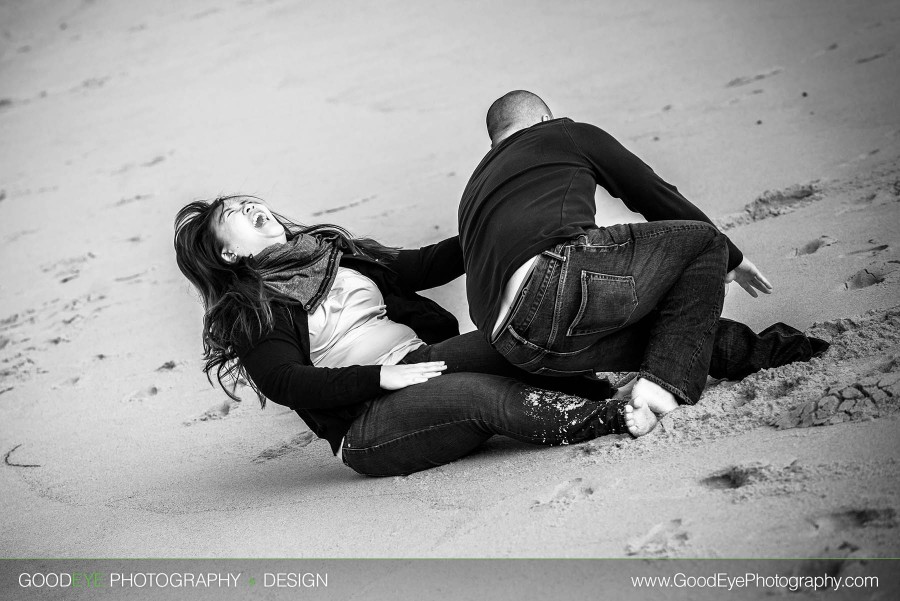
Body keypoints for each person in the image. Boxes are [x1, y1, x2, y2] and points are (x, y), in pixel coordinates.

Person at [173, 195, 656, 478]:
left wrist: (504, 230)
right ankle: (606, 416)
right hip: (368, 423)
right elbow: (286, 381)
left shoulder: (333, 253)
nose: (250, 205)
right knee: (479, 395)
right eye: (234, 213)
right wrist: (380, 378)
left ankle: (673, 355)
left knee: (520, 338)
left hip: (421, 359)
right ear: (230, 254)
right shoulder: (250, 309)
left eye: (248, 199)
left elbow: (426, 264)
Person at [457, 90, 827, 416]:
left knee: (673, 336)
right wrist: (731, 257)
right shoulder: (562, 133)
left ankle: (790, 351)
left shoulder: (473, 190)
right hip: (554, 287)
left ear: (495, 142)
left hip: (514, 343)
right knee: (703, 240)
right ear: (543, 118)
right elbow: (650, 192)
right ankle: (664, 384)